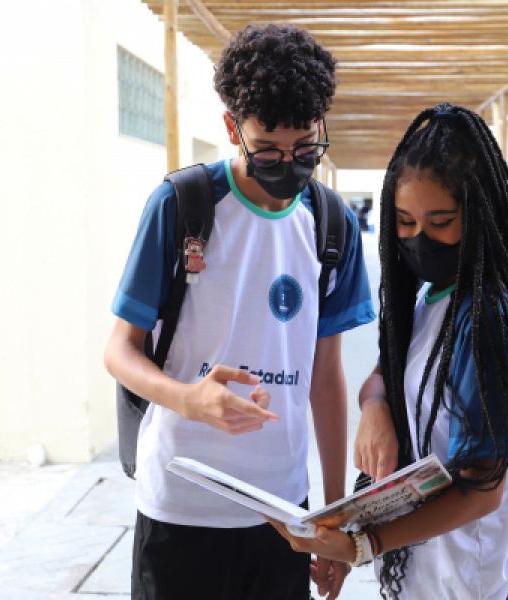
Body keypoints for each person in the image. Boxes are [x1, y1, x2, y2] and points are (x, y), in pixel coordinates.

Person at [104, 24, 375, 600]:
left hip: (282, 512)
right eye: (268, 149)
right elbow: (119, 350)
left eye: (305, 147)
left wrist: (334, 518)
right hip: (180, 507)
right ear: (233, 129)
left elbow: (325, 376)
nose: (289, 165)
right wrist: (189, 399)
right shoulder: (181, 206)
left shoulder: (331, 225)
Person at [268, 102, 508, 600]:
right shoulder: (430, 297)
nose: (418, 238)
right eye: (404, 221)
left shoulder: (484, 324)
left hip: (471, 584)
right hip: (428, 576)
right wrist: (374, 407)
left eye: (440, 221)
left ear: (478, 216)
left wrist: (364, 546)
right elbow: (385, 372)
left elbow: (482, 492)